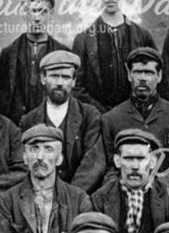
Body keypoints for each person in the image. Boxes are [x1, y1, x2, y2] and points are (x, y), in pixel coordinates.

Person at [19, 50, 105, 193]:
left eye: (65, 77)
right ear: (43, 78)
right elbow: (25, 165)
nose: (59, 83)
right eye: (54, 76)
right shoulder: (28, 120)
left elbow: (93, 164)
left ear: (74, 81)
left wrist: (71, 196)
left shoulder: (89, 116)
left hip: (79, 196)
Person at [72, 0, 156, 112]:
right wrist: (103, 113)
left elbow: (155, 78)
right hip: (98, 117)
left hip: (137, 114)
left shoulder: (143, 36)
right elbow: (77, 87)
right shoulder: (83, 39)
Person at [100, 47, 169, 164]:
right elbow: (110, 167)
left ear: (159, 76)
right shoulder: (110, 119)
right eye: (137, 72)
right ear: (129, 75)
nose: (142, 78)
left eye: (148, 72)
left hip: (167, 181)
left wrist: (162, 182)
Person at [0, 0, 71, 125]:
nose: (36, 18)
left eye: (43, 12)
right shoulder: (8, 53)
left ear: (51, 14)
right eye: (31, 11)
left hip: (51, 123)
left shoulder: (63, 53)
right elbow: (3, 97)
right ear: (23, 14)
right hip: (16, 124)